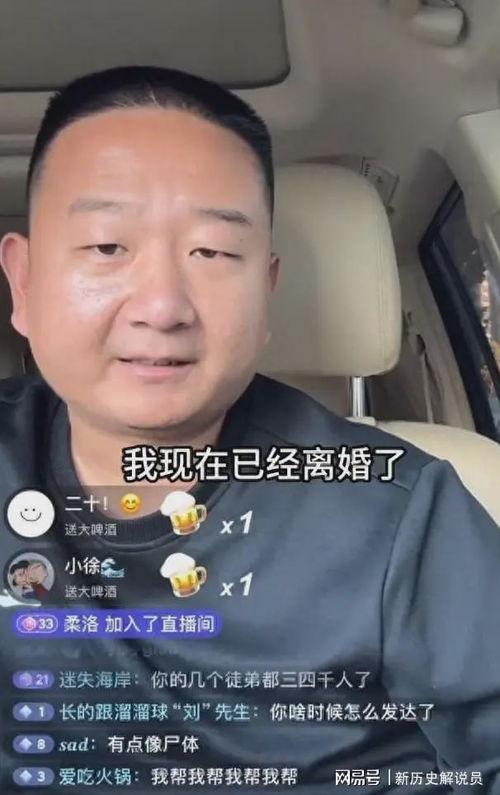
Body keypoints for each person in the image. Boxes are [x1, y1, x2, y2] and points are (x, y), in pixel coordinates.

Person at [0, 65, 498, 793]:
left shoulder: (399, 513)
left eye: (212, 252)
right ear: (24, 282)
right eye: (107, 246)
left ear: (265, 292)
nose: (162, 306)